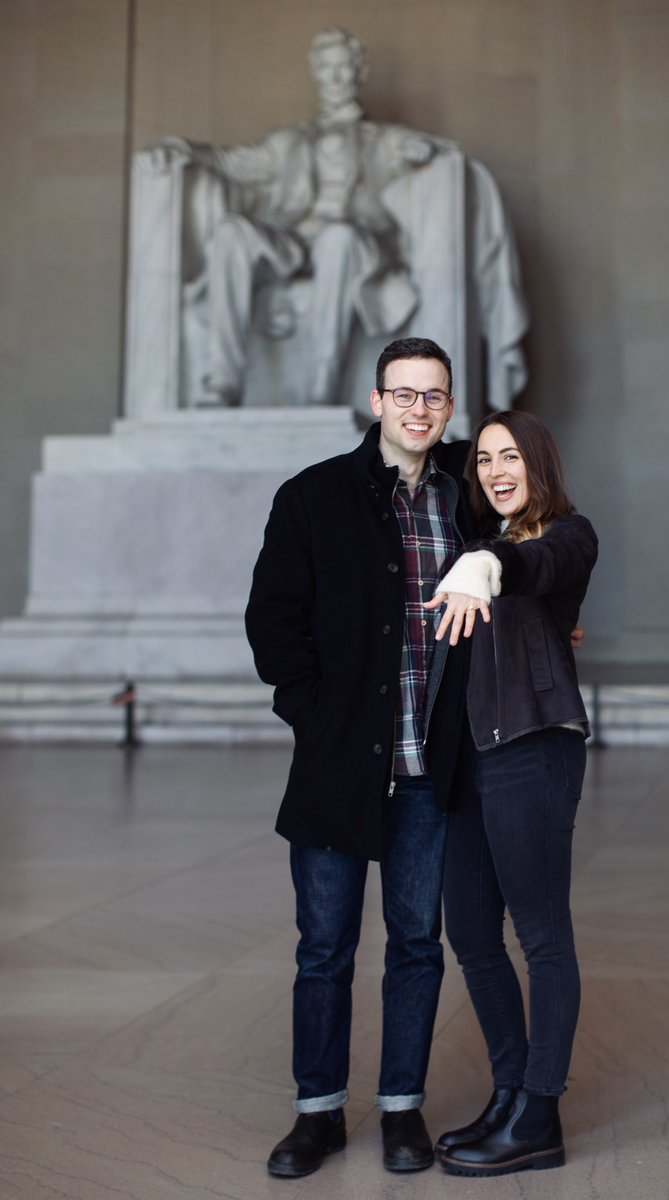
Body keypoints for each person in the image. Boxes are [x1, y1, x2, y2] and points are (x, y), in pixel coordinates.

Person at [244, 337, 475, 1177]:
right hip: (340, 764)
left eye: (435, 396)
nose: (419, 409)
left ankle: (402, 1109)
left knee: (417, 941)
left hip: (429, 768)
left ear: (449, 407)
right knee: (324, 947)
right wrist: (315, 718)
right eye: (404, 394)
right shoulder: (312, 497)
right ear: (376, 402)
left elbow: (539, 545)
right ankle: (317, 1114)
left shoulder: (466, 500)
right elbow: (273, 623)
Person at [422, 410, 598, 1177]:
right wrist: (475, 557)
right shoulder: (472, 544)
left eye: (510, 456)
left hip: (533, 749)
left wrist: (486, 566)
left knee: (542, 938)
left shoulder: (566, 535)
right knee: (469, 934)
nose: (495, 469)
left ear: (539, 465)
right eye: (484, 458)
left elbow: (536, 568)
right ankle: (509, 1093)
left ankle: (540, 1115)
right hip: (470, 765)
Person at [148, 28, 437, 405]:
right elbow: (231, 162)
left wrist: (423, 153)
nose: (333, 78)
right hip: (292, 242)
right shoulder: (289, 142)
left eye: (343, 68)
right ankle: (221, 382)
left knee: (339, 239)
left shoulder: (384, 138)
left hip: (351, 243)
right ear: (315, 72)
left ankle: (321, 390)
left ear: (359, 72)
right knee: (231, 232)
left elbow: (429, 152)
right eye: (326, 68)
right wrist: (184, 150)